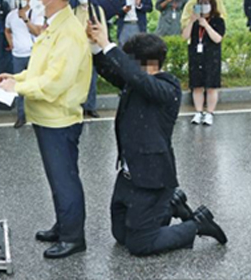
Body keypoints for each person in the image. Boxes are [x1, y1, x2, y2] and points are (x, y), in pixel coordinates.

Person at [85, 15, 228, 257]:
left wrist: (109, 45)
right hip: (129, 176)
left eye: (130, 61)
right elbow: (112, 70)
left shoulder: (167, 88)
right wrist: (95, 45)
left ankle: (197, 225)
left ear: (149, 64)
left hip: (153, 178)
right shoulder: (137, 81)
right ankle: (171, 205)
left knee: (140, 245)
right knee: (121, 236)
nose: (126, 66)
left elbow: (136, 77)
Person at [0, 0, 92, 259]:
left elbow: (55, 83)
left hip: (59, 119)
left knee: (64, 178)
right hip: (46, 117)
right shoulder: (53, 26)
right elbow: (39, 69)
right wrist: (15, 78)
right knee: (56, 177)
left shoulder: (69, 32)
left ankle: (74, 237)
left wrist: (19, 88)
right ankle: (64, 224)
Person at [182, 0, 226, 126]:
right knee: (197, 86)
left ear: (212, 5)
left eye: (206, 3)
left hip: (211, 56)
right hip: (196, 56)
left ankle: (210, 113)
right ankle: (198, 112)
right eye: (201, 3)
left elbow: (217, 38)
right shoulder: (194, 21)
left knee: (211, 86)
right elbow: (184, 36)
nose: (204, 6)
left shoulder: (218, 20)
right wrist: (191, 21)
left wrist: (206, 25)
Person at [4, 0, 44, 129]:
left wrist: (26, 19)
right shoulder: (11, 15)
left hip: (33, 53)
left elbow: (38, 32)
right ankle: (21, 116)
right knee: (18, 86)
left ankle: (38, 114)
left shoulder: (37, 13)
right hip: (17, 55)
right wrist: (11, 43)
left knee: (34, 84)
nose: (20, 0)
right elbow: (7, 30)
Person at [73, 0, 107, 119]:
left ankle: (91, 107)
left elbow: (103, 28)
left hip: (93, 48)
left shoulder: (97, 10)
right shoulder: (74, 11)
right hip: (79, 50)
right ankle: (79, 106)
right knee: (79, 79)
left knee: (92, 78)